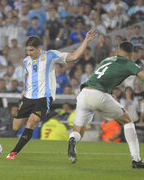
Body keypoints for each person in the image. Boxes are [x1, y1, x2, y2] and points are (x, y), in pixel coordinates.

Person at [6, 29, 97, 159]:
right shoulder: (27, 61)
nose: (29, 53)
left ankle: (13, 152)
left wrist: (86, 41)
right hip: (28, 98)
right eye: (28, 50)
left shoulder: (50, 56)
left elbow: (74, 56)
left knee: (31, 122)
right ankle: (28, 122)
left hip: (43, 98)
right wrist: (25, 89)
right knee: (16, 126)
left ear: (39, 48)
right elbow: (27, 74)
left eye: (32, 50)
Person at [68, 41, 144, 168]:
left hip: (84, 93)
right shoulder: (128, 63)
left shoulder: (108, 59)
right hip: (99, 95)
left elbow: (103, 76)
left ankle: (72, 139)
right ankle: (136, 160)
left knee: (78, 130)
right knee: (128, 121)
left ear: (117, 51)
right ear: (131, 55)